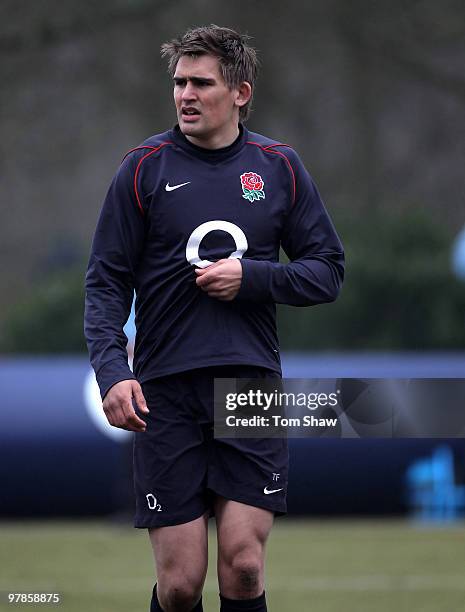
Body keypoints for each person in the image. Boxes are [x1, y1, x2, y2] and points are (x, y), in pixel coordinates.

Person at [84, 24, 344, 612]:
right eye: (179, 82)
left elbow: (327, 270)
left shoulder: (278, 167)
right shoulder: (142, 169)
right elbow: (104, 284)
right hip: (164, 393)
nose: (185, 95)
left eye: (201, 83)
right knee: (179, 586)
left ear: (241, 92)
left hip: (250, 387)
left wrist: (251, 277)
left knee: (245, 567)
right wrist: (111, 372)